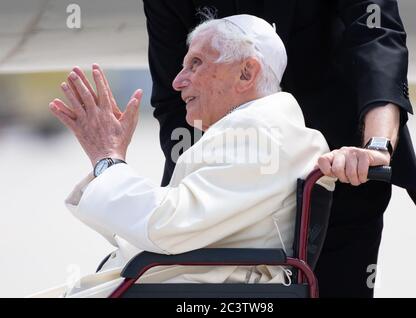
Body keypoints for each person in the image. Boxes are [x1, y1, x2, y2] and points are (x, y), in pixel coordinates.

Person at [143, 0, 416, 297]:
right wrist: (198, 192)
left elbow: (376, 35)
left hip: (340, 167)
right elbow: (173, 97)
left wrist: (377, 144)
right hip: (226, 192)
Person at [43, 14, 335, 298]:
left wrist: (108, 159)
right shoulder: (258, 130)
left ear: (246, 73)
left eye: (196, 63)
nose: (178, 81)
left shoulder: (260, 133)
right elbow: (170, 231)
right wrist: (109, 164)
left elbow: (166, 228)